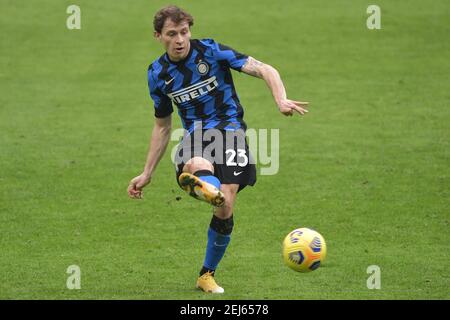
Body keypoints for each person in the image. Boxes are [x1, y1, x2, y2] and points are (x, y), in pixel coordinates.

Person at [127, 5, 309, 294]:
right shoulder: (158, 74)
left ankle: (206, 274)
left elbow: (263, 68)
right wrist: (146, 172)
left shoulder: (210, 51)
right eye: (171, 34)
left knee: (225, 207)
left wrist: (281, 99)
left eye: (184, 32)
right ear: (158, 36)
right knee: (197, 160)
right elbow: (162, 126)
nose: (179, 40)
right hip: (197, 135)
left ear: (190, 31)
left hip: (232, 132)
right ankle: (205, 185)